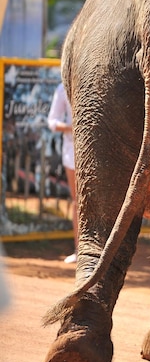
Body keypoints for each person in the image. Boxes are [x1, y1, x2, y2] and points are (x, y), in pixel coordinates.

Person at [48, 82, 78, 263]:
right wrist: (71, 128)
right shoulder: (62, 88)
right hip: (72, 151)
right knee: (78, 202)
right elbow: (52, 121)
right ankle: (79, 251)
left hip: (97, 151)